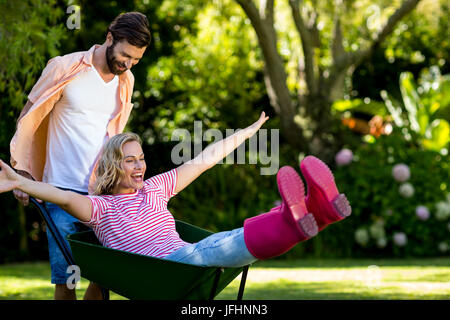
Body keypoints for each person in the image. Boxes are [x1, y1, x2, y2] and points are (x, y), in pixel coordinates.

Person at [1, 112, 351, 269]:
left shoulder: (156, 188)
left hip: (186, 259)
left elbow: (204, 160)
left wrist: (247, 132)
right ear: (112, 166)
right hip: (164, 269)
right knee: (218, 246)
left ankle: (318, 212)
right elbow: (60, 196)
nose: (140, 166)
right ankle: (296, 220)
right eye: (130, 161)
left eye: (141, 159)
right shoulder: (100, 208)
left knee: (220, 245)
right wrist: (19, 181)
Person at [9, 12, 151, 299]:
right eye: (125, 55)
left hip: (103, 194)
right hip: (59, 190)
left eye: (135, 59)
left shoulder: (126, 81)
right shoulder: (64, 66)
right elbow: (28, 119)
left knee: (106, 274)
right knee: (68, 277)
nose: (128, 63)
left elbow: (115, 136)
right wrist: (21, 171)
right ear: (109, 38)